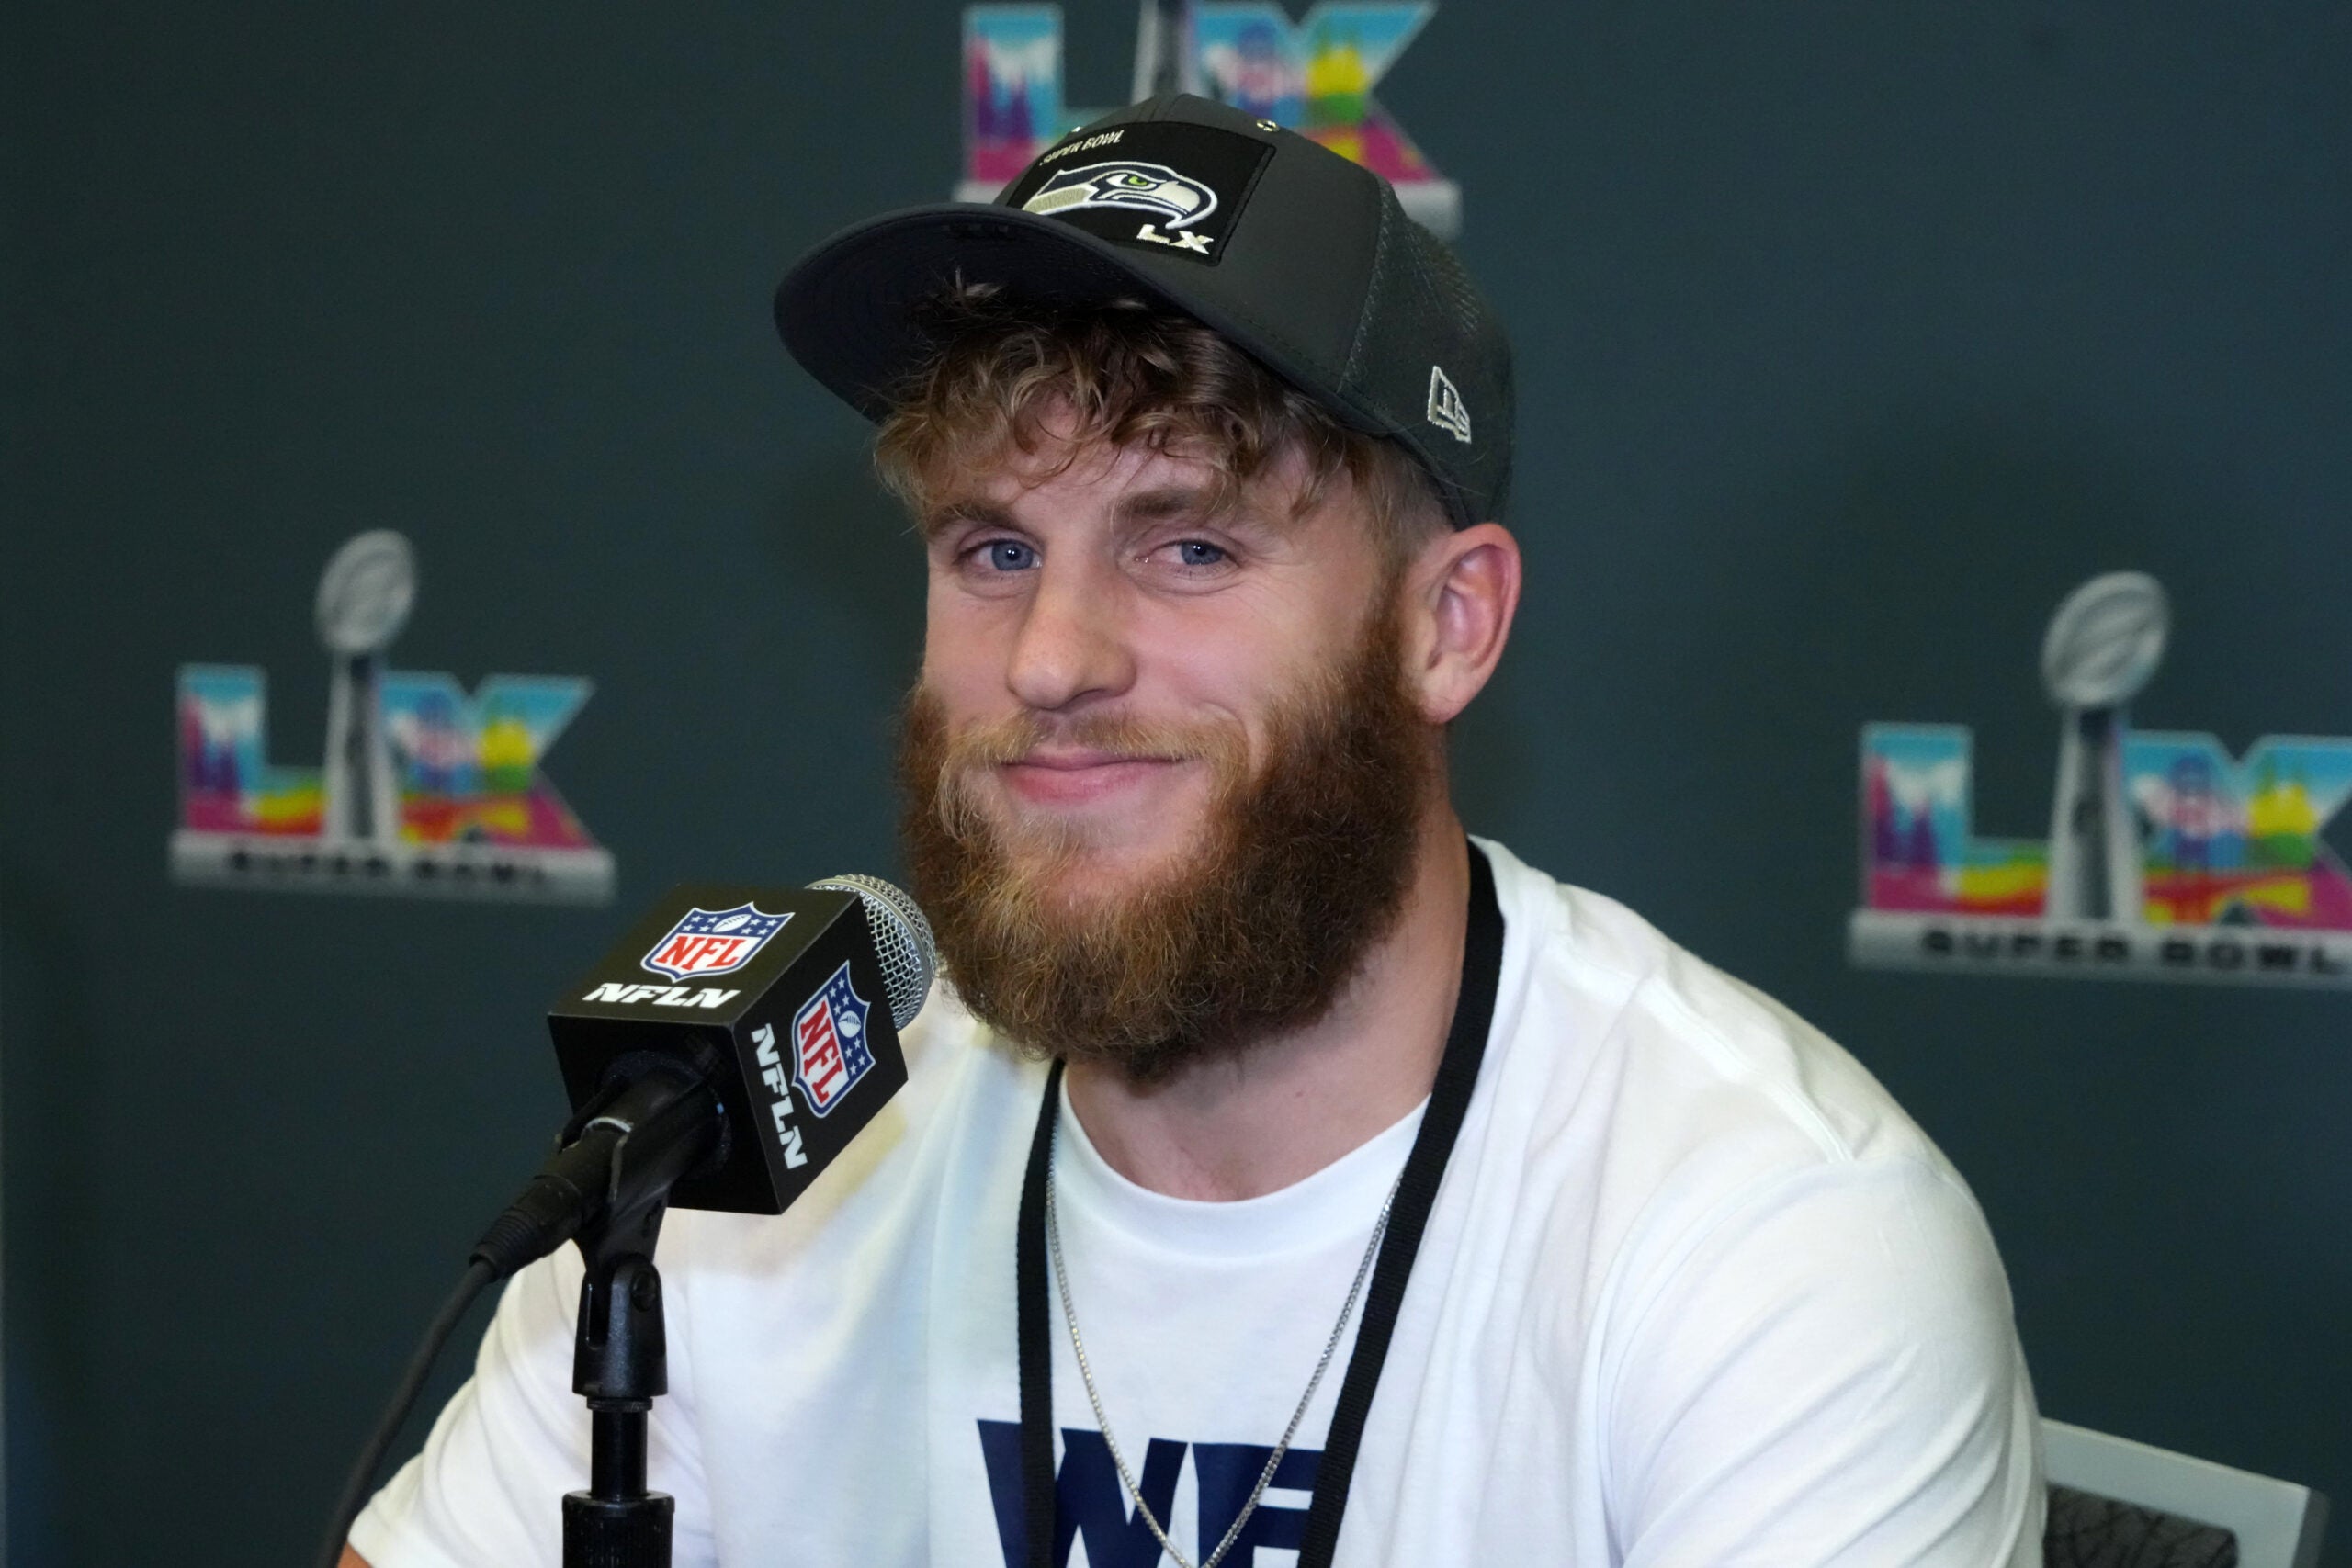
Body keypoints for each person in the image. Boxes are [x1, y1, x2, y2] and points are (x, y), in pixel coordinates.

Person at [345, 94, 2043, 1567]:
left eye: (1193, 547)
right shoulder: (746, 1149)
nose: (1054, 662)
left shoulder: (1766, 1242)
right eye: (994, 550)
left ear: (1445, 627)